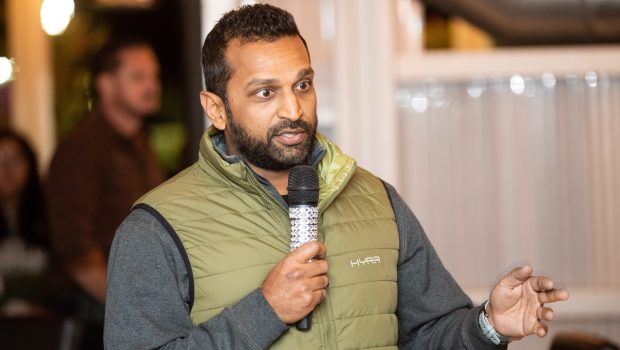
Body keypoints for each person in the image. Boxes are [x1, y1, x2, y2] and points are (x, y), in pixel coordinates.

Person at [104, 4, 569, 349]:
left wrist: (488, 325)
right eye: (265, 92)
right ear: (216, 109)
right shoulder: (156, 228)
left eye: (302, 85)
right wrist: (264, 311)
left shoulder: (375, 199)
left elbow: (430, 334)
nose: (293, 110)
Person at [47, 37, 166, 348]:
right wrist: (129, 309)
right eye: (138, 76)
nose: (152, 85)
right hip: (97, 320)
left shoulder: (141, 144)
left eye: (154, 76)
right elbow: (75, 250)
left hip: (138, 312)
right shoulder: (81, 149)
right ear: (105, 84)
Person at [0, 130, 53, 316]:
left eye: (15, 160)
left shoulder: (49, 215)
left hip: (43, 326)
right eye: (0, 159)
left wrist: (6, 286)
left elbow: (59, 280)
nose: (7, 169)